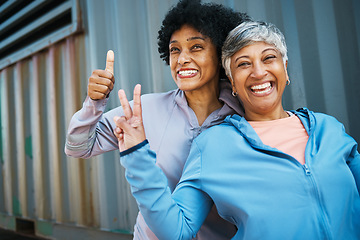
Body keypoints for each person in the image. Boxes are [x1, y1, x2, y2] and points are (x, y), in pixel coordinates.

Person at [114, 20, 360, 239]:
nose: (258, 72)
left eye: (268, 58)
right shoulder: (214, 145)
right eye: (243, 64)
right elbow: (176, 231)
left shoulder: (329, 130)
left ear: (285, 70)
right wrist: (137, 155)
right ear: (232, 82)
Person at [65, 0, 250, 239]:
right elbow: (78, 146)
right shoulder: (146, 110)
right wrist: (94, 102)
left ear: (220, 53)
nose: (182, 59)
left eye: (196, 47)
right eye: (175, 49)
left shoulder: (244, 117)